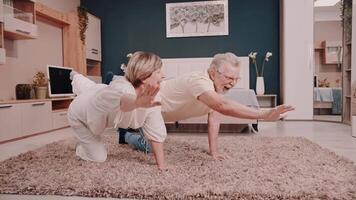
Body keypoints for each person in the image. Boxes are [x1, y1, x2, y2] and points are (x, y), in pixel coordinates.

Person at [120, 52, 294, 160]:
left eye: (236, 79)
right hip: (147, 109)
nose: (232, 84)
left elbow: (215, 116)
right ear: (212, 72)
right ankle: (125, 135)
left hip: (160, 116)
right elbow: (222, 105)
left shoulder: (216, 88)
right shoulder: (199, 81)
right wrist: (264, 114)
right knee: (149, 147)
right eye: (228, 78)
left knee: (156, 142)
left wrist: (214, 151)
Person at [67, 51, 168, 170]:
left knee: (95, 89)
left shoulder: (153, 97)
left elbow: (156, 130)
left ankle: (77, 77)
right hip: (80, 115)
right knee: (98, 157)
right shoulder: (120, 88)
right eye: (158, 71)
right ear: (144, 77)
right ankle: (82, 146)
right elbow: (124, 101)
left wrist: (161, 165)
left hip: (99, 96)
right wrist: (138, 102)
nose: (163, 75)